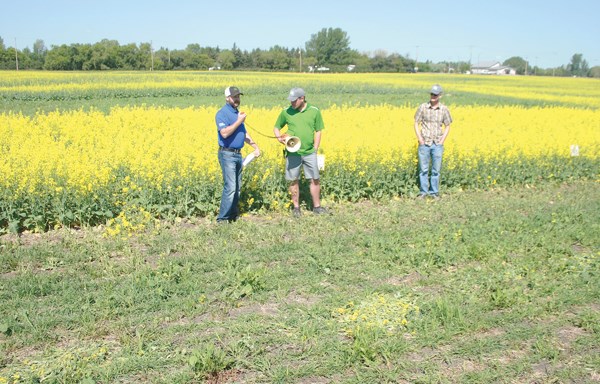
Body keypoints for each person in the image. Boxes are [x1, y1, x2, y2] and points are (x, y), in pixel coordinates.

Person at [273, 87, 327, 216]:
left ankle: (317, 207)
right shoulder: (286, 112)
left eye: (294, 101)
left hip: (309, 152)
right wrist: (279, 138)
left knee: (315, 179)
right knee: (293, 180)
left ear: (302, 98)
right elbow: (276, 127)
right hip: (292, 153)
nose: (292, 103)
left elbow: (318, 130)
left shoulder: (314, 111)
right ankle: (296, 208)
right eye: (290, 101)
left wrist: (315, 148)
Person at [215, 86, 260, 223]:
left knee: (237, 188)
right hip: (227, 154)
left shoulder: (237, 113)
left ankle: (233, 215)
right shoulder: (221, 114)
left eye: (238, 97)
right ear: (227, 98)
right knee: (231, 187)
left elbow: (244, 133)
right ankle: (222, 219)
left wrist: (255, 146)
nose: (237, 99)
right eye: (234, 97)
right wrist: (239, 121)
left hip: (238, 154)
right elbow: (225, 133)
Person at [414, 84, 453, 199]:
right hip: (424, 143)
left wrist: (442, 140)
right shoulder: (423, 107)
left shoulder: (444, 109)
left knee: (436, 170)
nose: (433, 96)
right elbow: (416, 122)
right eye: (431, 94)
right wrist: (420, 138)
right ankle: (423, 192)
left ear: (440, 96)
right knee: (423, 170)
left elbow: (448, 125)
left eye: (435, 95)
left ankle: (434, 192)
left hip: (437, 144)